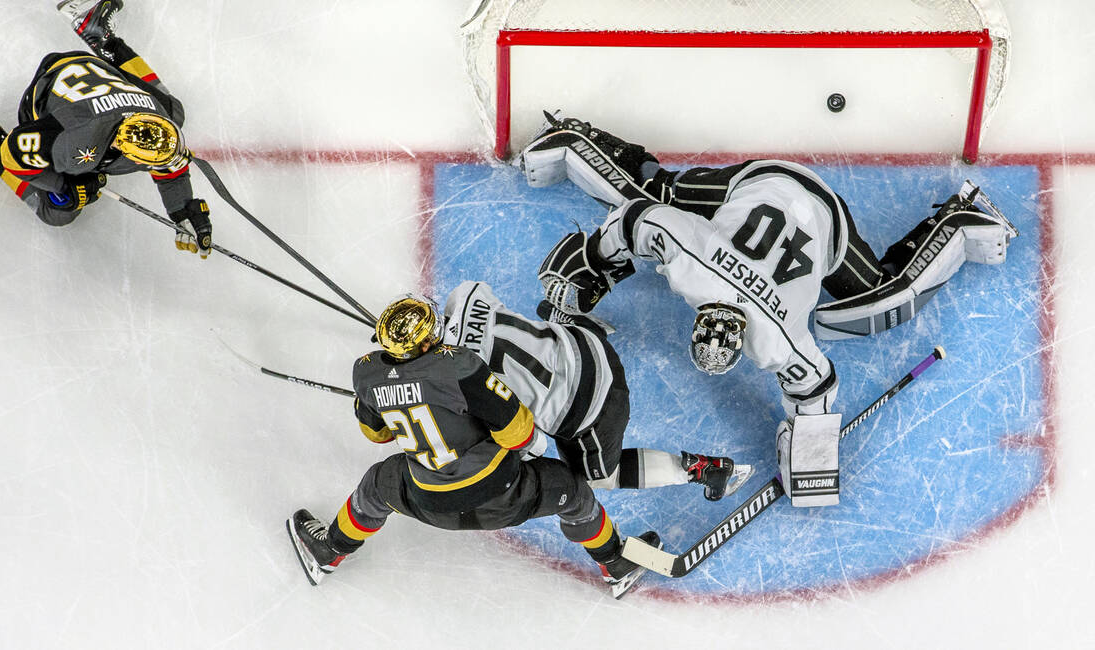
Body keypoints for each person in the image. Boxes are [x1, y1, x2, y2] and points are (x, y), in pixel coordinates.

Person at [519, 114, 1017, 507]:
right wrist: (808, 459)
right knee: (884, 300)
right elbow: (815, 386)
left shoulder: (715, 283)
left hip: (823, 215)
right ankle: (960, 222)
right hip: (769, 192)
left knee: (656, 191)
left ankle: (958, 220)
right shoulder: (767, 331)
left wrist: (591, 268)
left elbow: (636, 218)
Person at [288, 294, 661, 598]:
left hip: (427, 500)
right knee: (575, 494)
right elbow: (519, 431)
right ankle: (615, 562)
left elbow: (377, 435)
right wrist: (524, 447)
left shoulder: (366, 373)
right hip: (505, 495)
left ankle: (330, 550)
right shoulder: (459, 365)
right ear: (429, 338)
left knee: (375, 486)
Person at [0, 0, 212, 258]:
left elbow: (170, 165)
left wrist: (180, 208)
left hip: (93, 77)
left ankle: (99, 33)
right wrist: (64, 188)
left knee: (175, 110)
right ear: (126, 150)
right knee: (56, 212)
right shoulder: (73, 141)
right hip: (46, 94)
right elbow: (15, 155)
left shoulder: (163, 123)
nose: (168, 165)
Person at [440, 280, 752, 500]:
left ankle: (704, 470)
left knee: (599, 477)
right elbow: (467, 292)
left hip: (594, 406)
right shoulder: (467, 297)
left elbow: (532, 445)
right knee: (538, 331)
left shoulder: (456, 384)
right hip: (587, 346)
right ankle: (579, 322)